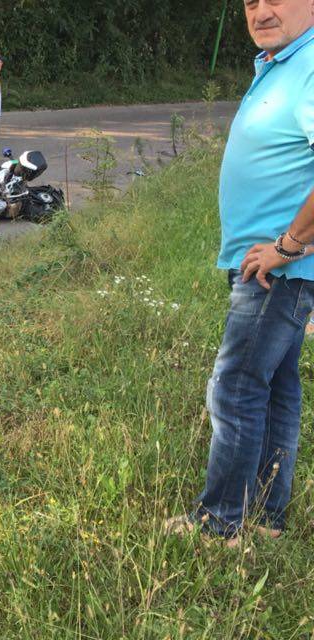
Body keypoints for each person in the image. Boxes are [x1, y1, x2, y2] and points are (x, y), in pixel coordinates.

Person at [165, 1, 314, 545]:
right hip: (277, 269)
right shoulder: (283, 62)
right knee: (276, 388)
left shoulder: (311, 63)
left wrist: (289, 243)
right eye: (251, 1)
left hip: (276, 272)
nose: (261, 10)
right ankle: (268, 520)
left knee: (235, 388)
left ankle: (220, 523)